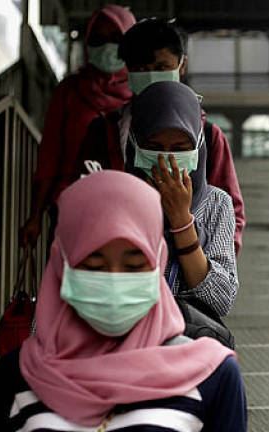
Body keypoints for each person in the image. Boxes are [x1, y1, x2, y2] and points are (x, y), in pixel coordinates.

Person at [0, 170, 247, 432]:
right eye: (94, 266)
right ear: (62, 266)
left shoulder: (213, 376)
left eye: (134, 265)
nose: (114, 279)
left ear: (158, 263)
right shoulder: (19, 373)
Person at [81, 18, 246, 254]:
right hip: (124, 260)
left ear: (182, 66)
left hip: (190, 263)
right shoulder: (104, 131)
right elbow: (84, 195)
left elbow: (230, 210)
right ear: (126, 69)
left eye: (160, 67)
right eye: (139, 68)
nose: (150, 75)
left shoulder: (208, 136)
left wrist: (211, 264)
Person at [81, 81, 239, 319]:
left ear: (197, 146)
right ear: (134, 144)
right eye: (154, 147)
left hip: (188, 347)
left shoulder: (217, 204)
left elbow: (220, 300)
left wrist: (182, 221)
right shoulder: (108, 201)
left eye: (179, 148)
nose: (166, 159)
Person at [19, 5, 136, 247]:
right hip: (71, 208)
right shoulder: (69, 92)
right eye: (98, 39)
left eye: (116, 38)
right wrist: (36, 216)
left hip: (129, 211)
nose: (107, 46)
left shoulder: (141, 93)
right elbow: (50, 156)